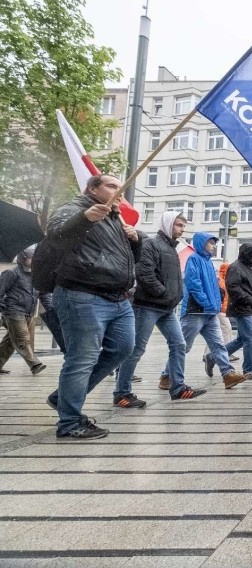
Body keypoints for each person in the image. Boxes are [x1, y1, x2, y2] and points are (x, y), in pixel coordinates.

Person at [45, 174, 141, 439]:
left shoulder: (114, 218)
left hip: (118, 298)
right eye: (111, 185)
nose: (118, 191)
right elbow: (55, 234)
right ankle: (70, 422)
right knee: (82, 358)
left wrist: (136, 241)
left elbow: (125, 260)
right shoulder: (74, 209)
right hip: (82, 294)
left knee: (123, 348)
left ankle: (62, 398)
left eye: (121, 188)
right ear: (92, 188)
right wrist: (85, 217)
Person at [118, 212, 206, 401]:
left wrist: (175, 295)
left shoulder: (172, 248)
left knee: (179, 344)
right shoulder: (151, 244)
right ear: (168, 224)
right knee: (136, 349)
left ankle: (178, 388)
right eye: (179, 225)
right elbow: (144, 274)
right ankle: (122, 393)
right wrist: (164, 294)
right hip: (147, 306)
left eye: (183, 226)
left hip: (166, 308)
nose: (183, 229)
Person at [184, 233, 246, 389]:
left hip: (210, 312)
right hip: (196, 312)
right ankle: (166, 376)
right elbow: (194, 285)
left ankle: (228, 374)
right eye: (211, 243)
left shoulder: (208, 262)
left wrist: (216, 302)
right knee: (183, 346)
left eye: (214, 243)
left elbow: (213, 285)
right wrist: (206, 303)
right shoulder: (194, 259)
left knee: (218, 344)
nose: (214, 246)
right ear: (202, 244)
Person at [0, 245, 46, 375]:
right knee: (23, 339)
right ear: (23, 259)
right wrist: (3, 308)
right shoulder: (11, 273)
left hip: (29, 312)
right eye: (31, 258)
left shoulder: (35, 276)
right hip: (13, 311)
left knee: (10, 342)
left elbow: (41, 294)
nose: (33, 260)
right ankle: (34, 364)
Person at [225, 243, 252, 380]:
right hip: (241, 308)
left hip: (249, 308)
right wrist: (250, 300)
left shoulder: (250, 268)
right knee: (251, 338)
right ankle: (249, 369)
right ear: (247, 253)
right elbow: (233, 288)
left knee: (241, 340)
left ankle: (213, 357)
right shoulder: (235, 267)